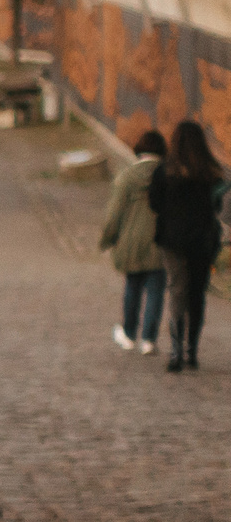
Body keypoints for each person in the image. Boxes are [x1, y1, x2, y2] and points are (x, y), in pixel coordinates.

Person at [148, 119, 225, 373]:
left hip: (172, 240)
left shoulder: (164, 171)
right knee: (196, 294)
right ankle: (192, 349)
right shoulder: (210, 172)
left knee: (176, 289)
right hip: (202, 240)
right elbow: (216, 206)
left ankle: (176, 351)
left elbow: (154, 203)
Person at [100, 130, 169, 356]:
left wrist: (107, 238)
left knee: (132, 288)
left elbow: (114, 213)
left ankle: (129, 333)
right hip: (160, 242)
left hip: (131, 242)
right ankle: (149, 339)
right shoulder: (168, 176)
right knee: (156, 291)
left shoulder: (127, 177)